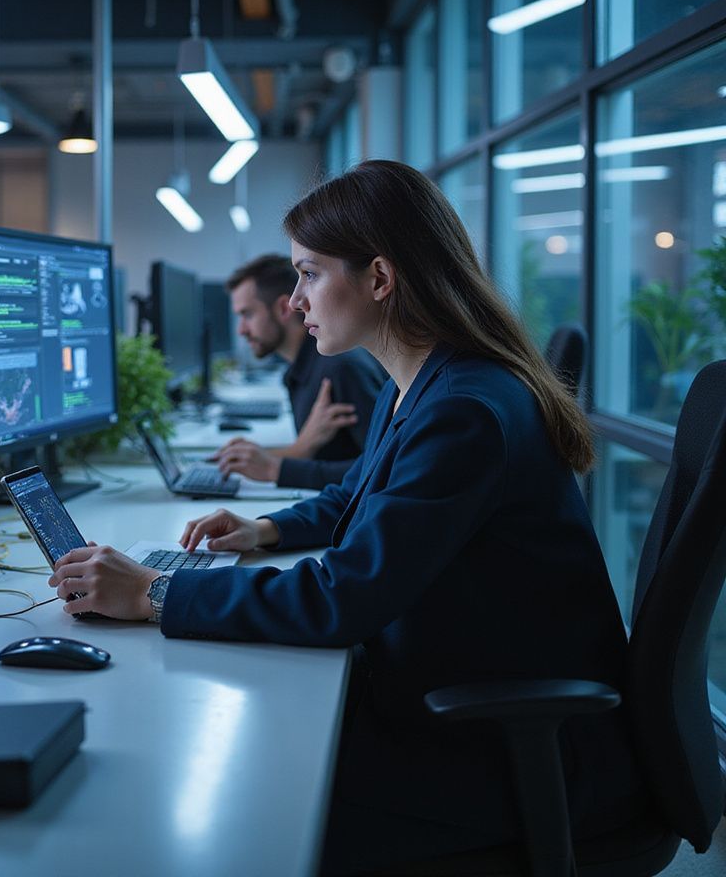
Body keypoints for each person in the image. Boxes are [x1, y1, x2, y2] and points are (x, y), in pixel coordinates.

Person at [48, 161, 645, 872]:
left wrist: (154, 592)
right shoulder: (433, 381)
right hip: (454, 692)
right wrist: (263, 530)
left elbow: (345, 598)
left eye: (308, 274)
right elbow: (358, 494)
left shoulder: (462, 410)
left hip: (497, 752)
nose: (294, 300)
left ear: (380, 280)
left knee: (224, 808)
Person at [213, 253, 386, 490]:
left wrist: (279, 470)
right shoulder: (301, 370)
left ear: (284, 309)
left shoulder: (340, 368)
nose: (242, 330)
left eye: (248, 314)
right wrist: (295, 451)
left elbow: (384, 469)